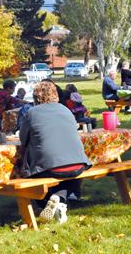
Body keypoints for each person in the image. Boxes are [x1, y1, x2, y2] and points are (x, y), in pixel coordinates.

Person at [20, 80, 91, 223]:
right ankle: (59, 199)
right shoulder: (65, 110)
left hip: (49, 165)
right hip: (79, 164)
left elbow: (23, 138)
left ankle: (46, 202)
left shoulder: (31, 113)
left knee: (31, 174)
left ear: (35, 97)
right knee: (69, 175)